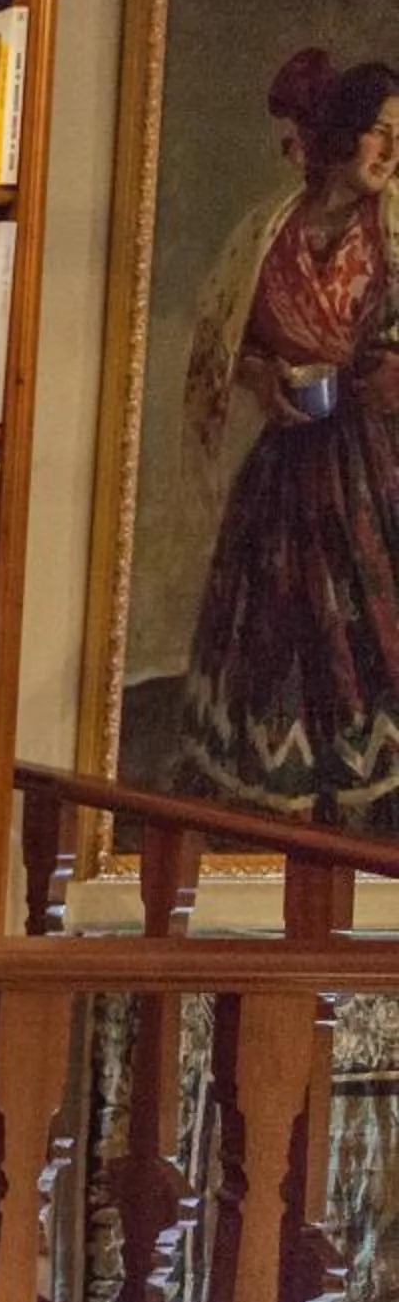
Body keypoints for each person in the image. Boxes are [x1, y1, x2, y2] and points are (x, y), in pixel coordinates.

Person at [179, 56, 399, 825]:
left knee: (372, 613)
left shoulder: (396, 231)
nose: (390, 154)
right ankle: (289, 794)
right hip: (289, 461)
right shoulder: (269, 234)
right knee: (279, 618)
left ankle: (375, 795)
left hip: (379, 464)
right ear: (339, 137)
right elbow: (222, 342)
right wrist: (263, 379)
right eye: (379, 134)